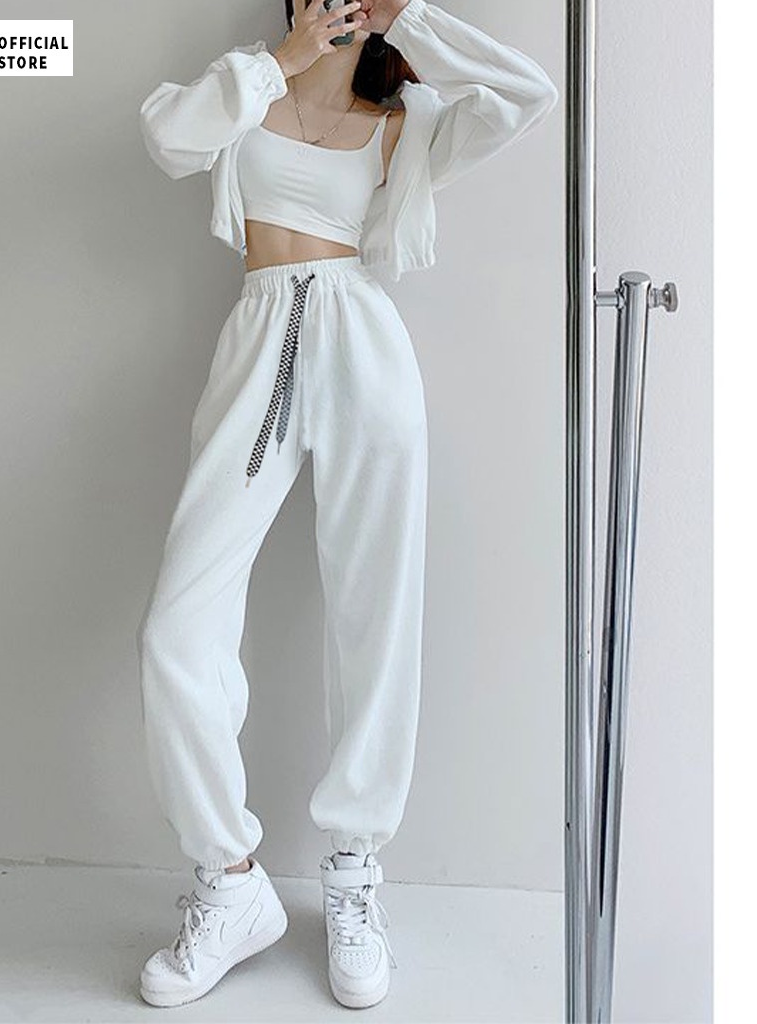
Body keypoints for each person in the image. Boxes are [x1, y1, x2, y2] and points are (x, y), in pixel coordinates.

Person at [134, 0, 557, 1009]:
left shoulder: (406, 115)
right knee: (177, 632)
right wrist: (278, 63)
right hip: (258, 345)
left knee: (376, 617)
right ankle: (230, 880)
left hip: (364, 348)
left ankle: (357, 869)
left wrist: (415, 23)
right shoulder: (248, 83)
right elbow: (166, 138)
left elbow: (528, 95)